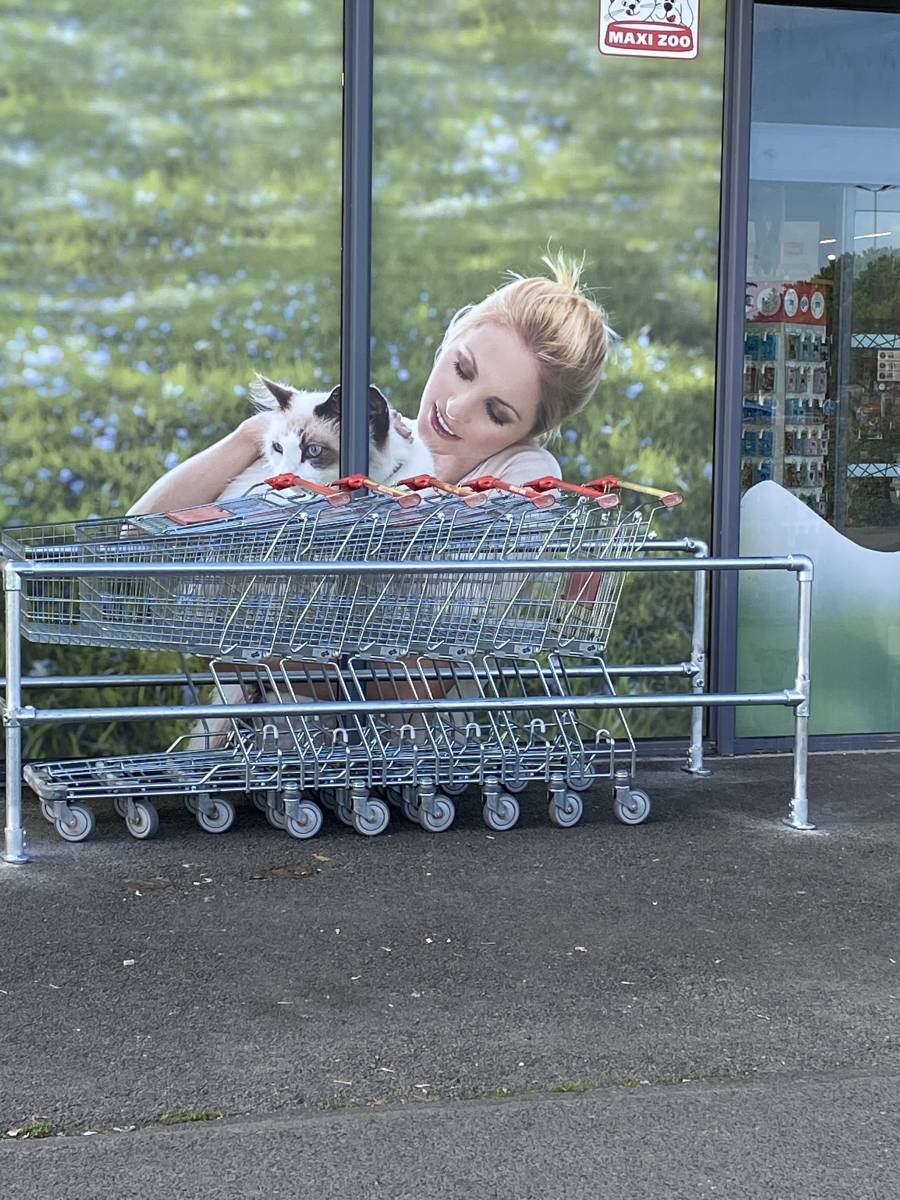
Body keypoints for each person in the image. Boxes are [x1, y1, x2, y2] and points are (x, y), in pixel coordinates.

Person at [128, 250, 609, 515]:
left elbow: (417, 668)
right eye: (461, 369)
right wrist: (260, 433)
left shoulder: (523, 469)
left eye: (496, 412)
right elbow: (139, 530)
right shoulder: (367, 437)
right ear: (447, 342)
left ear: (529, 430)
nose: (457, 408)